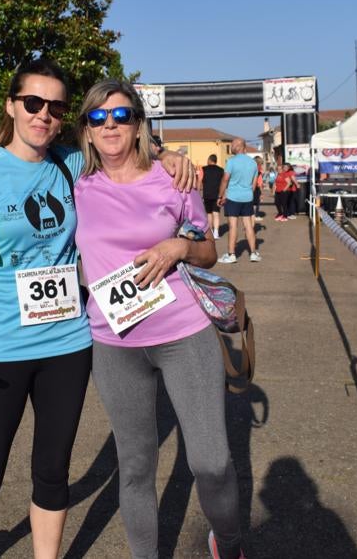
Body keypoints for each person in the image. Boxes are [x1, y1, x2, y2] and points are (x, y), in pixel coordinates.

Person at [0, 59, 195, 559]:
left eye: (55, 107)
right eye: (33, 103)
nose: (43, 116)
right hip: (2, 343)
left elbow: (123, 150)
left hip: (69, 341)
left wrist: (168, 152)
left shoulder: (71, 162)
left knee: (52, 472)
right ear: (11, 106)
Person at [74, 78, 245, 559]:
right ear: (86, 130)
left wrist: (180, 246)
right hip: (113, 343)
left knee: (211, 462)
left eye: (122, 115)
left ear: (138, 125)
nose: (110, 125)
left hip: (182, 333)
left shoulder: (175, 178)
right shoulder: (77, 185)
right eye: (98, 117)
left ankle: (228, 542)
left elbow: (209, 251)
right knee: (135, 466)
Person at [217, 138, 260, 263]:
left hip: (233, 197)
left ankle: (231, 255)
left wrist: (220, 196)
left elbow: (225, 179)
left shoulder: (231, 161)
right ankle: (253, 253)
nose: (231, 146)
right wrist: (248, 194)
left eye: (233, 145)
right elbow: (254, 183)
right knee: (248, 225)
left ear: (239, 146)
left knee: (233, 226)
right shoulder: (253, 163)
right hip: (247, 197)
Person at [201, 153, 224, 239]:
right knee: (216, 214)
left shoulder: (204, 169)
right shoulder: (221, 170)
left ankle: (210, 231)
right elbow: (223, 183)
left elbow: (200, 181)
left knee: (209, 214)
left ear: (210, 160)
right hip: (217, 195)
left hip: (207, 194)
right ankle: (216, 233)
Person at [251, 156, 264, 221]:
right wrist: (262, 193)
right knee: (256, 203)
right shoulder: (259, 169)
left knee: (252, 202)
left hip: (250, 186)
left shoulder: (250, 167)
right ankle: (255, 215)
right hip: (256, 187)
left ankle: (252, 215)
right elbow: (260, 182)